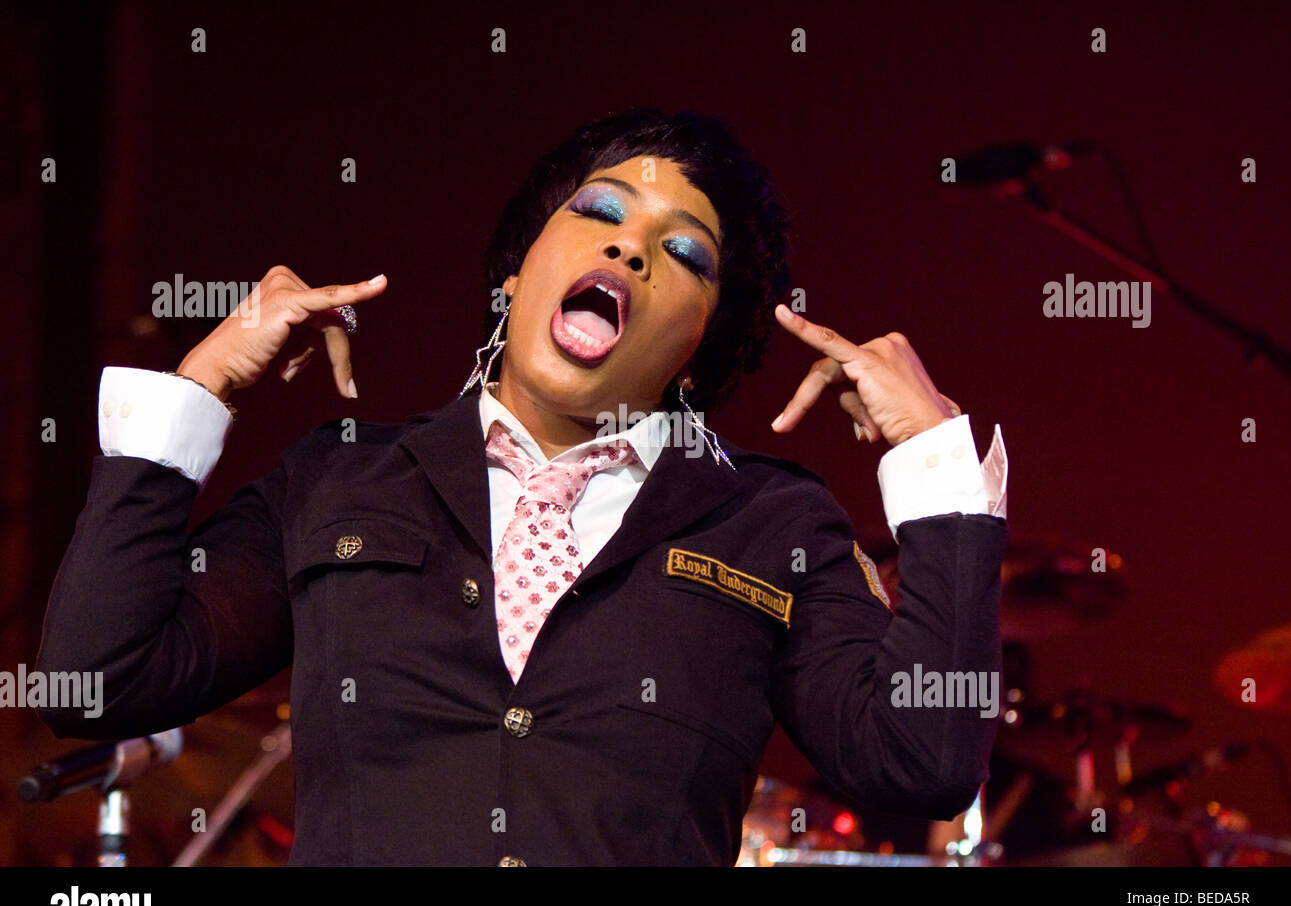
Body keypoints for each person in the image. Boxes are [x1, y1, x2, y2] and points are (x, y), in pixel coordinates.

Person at [37, 108, 1008, 866]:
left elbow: (922, 759)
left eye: (685, 254)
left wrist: (934, 468)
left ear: (696, 347)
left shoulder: (766, 520)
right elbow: (96, 678)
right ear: (516, 272)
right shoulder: (337, 477)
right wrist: (201, 389)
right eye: (600, 213)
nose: (630, 249)